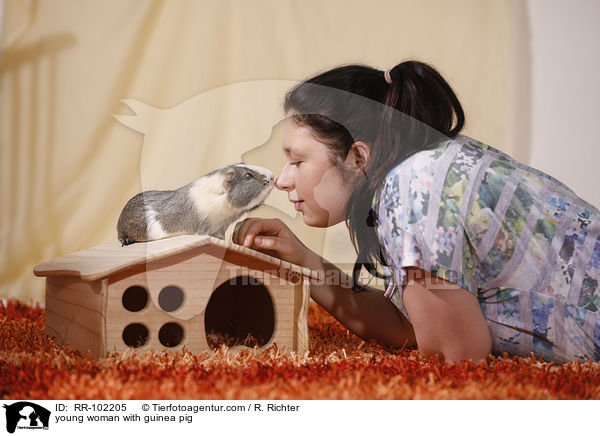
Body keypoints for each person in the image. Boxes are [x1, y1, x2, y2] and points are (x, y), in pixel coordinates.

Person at [232, 60, 600, 364]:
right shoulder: (418, 171)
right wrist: (303, 261)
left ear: (358, 157)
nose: (281, 180)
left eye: (297, 160)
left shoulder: (415, 188)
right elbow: (409, 326)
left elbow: (456, 359)